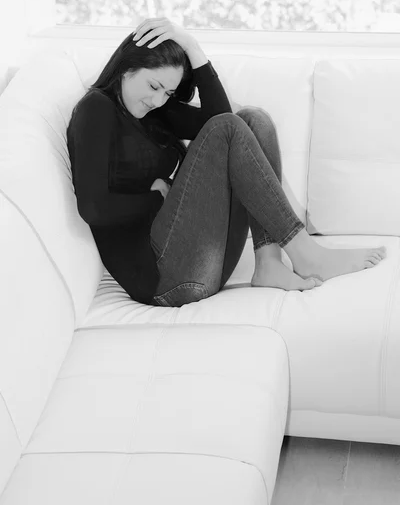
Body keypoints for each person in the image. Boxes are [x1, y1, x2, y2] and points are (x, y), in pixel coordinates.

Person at [66, 17, 386, 307]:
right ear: (127, 67)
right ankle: (305, 252)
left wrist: (192, 47)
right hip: (165, 279)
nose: (158, 100)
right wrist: (157, 197)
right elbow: (93, 208)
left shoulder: (155, 112)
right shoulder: (97, 108)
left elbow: (222, 117)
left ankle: (269, 261)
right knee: (230, 127)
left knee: (253, 119)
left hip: (200, 262)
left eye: (167, 92)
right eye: (153, 86)